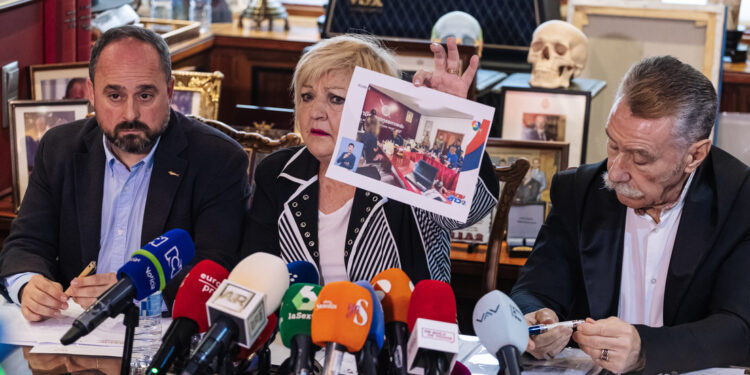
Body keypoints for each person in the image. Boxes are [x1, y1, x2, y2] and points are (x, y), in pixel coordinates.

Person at [511, 56, 750, 373]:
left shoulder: (740, 201)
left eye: (640, 157)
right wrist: (536, 319)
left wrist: (645, 349)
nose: (616, 172)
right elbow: (533, 290)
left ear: (695, 155)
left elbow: (740, 328)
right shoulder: (580, 191)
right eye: (613, 145)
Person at [0, 26, 250, 322]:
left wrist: (137, 295)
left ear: (169, 91)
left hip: (162, 335)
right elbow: (26, 243)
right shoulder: (59, 148)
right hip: (70, 334)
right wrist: (29, 285)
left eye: (145, 95)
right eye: (115, 95)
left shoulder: (217, 160)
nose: (130, 114)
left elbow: (217, 267)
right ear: (92, 94)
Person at [242, 35, 498, 284]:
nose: (316, 113)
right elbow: (254, 274)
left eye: (336, 99)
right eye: (307, 96)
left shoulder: (402, 180)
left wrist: (460, 117)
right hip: (302, 326)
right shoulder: (278, 173)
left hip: (400, 327)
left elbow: (470, 211)